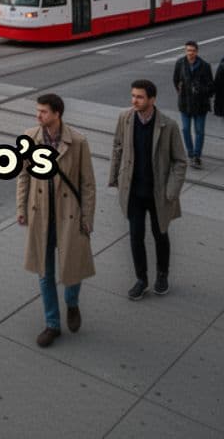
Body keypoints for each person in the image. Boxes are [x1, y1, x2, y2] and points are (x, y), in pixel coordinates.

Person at [16, 93, 96, 347]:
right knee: (44, 271)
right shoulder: (30, 138)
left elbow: (88, 184)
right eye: (37, 111)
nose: (38, 116)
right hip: (41, 214)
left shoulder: (78, 142)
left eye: (43, 112)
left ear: (57, 114)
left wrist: (87, 217)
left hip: (69, 215)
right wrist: (21, 207)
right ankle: (52, 323)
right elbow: (23, 176)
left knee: (72, 269)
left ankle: (72, 303)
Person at [109, 78, 187, 300]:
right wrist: (115, 177)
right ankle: (141, 279)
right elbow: (117, 147)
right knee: (136, 237)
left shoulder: (168, 125)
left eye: (140, 97)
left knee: (160, 234)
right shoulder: (125, 118)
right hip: (133, 192)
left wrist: (171, 192)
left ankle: (162, 275)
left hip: (158, 194)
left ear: (152, 99)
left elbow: (180, 161)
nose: (134, 100)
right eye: (133, 96)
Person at [173, 40, 214, 166]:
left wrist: (199, 89)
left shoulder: (205, 66)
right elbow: (175, 80)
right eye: (188, 50)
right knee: (185, 129)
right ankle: (190, 153)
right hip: (185, 103)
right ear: (185, 51)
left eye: (192, 51)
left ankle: (197, 156)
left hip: (200, 104)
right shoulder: (180, 63)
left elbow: (211, 87)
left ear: (197, 51)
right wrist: (181, 92)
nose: (190, 53)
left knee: (199, 131)